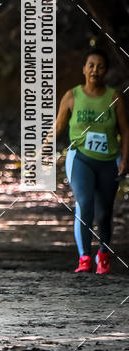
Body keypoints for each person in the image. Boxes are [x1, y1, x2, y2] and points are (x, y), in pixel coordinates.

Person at [55, 48, 128, 274]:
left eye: (100, 66)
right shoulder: (72, 96)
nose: (95, 70)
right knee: (84, 205)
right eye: (91, 65)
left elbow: (125, 131)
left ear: (106, 71)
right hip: (80, 158)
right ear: (84, 69)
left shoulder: (114, 97)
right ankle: (85, 257)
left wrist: (125, 159)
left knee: (104, 212)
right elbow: (58, 127)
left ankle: (103, 254)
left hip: (108, 161)